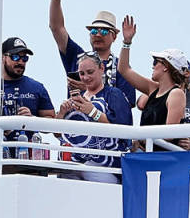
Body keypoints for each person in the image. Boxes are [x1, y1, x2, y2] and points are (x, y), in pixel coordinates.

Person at [48, 0, 136, 111]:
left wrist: (90, 88)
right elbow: (57, 28)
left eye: (104, 31)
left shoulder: (121, 67)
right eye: (94, 31)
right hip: (76, 122)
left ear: (114, 36)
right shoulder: (77, 56)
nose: (98, 34)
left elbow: (126, 104)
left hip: (105, 124)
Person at [116, 17, 190, 150]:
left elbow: (169, 135)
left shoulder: (176, 94)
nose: (153, 66)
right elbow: (123, 69)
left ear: (166, 66)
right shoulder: (153, 88)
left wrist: (142, 139)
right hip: (147, 153)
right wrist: (127, 42)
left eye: (156, 62)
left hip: (161, 158)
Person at [55, 53, 133, 181]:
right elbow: (59, 134)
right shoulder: (77, 98)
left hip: (104, 165)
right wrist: (62, 113)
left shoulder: (113, 94)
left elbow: (122, 129)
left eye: (90, 72)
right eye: (82, 74)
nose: (86, 77)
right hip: (73, 163)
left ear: (102, 68)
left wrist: (92, 112)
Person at [0, 37, 57, 166]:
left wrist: (32, 119)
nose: (20, 62)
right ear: (2, 57)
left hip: (28, 159)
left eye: (24, 58)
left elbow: (52, 123)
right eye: (15, 57)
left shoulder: (36, 87)